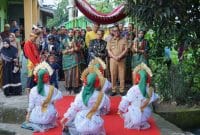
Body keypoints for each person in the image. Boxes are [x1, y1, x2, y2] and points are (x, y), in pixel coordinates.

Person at [61, 65, 110, 135]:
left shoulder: (80, 96)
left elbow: (73, 109)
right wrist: (101, 112)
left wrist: (64, 118)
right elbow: (106, 108)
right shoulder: (103, 96)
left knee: (73, 121)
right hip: (96, 122)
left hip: (81, 122)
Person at [22, 61, 62, 132]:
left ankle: (37, 124)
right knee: (52, 110)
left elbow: (31, 105)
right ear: (48, 78)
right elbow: (60, 95)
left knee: (28, 122)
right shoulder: (52, 88)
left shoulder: (33, 90)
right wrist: (52, 100)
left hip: (36, 116)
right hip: (49, 116)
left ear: (37, 78)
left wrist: (28, 115)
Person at [118, 63, 159, 130]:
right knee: (145, 112)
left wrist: (121, 110)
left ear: (137, 79)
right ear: (147, 79)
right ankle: (142, 122)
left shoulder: (133, 89)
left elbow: (126, 100)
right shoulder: (150, 90)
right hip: (145, 112)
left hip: (133, 113)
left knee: (131, 112)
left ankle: (134, 122)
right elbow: (153, 100)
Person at [107, 26, 128, 96]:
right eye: (114, 31)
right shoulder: (110, 40)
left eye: (117, 31)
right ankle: (113, 89)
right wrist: (114, 57)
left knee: (122, 75)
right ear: (112, 32)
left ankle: (122, 90)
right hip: (113, 60)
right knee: (113, 75)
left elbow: (126, 49)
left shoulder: (124, 39)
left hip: (121, 60)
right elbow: (109, 50)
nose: (116, 32)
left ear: (120, 31)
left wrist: (120, 56)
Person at [61, 29, 81, 95]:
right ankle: (68, 88)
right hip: (66, 58)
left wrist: (75, 48)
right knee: (67, 73)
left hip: (74, 58)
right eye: (69, 32)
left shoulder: (76, 40)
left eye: (72, 32)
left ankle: (75, 88)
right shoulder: (63, 40)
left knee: (75, 73)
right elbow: (60, 49)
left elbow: (79, 48)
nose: (70, 33)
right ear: (67, 33)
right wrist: (66, 51)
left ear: (73, 33)